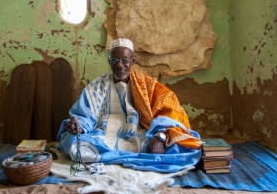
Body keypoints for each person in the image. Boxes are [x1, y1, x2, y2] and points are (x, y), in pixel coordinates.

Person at [57, 38, 202, 173]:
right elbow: (84, 115)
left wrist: (159, 137)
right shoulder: (97, 86)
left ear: (133, 60)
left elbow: (170, 109)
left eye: (125, 60)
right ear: (109, 61)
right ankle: (133, 158)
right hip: (103, 134)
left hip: (139, 133)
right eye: (115, 60)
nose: (120, 65)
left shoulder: (146, 85)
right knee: (74, 143)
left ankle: (109, 157)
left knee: (178, 145)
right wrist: (79, 126)